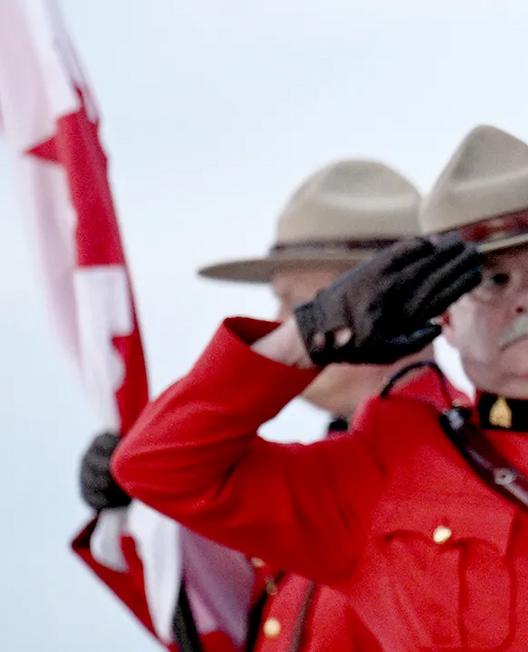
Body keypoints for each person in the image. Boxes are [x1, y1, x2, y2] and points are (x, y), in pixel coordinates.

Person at [112, 125, 528, 650]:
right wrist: (311, 334)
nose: (527, 299)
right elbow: (157, 465)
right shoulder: (378, 473)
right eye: (493, 282)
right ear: (444, 316)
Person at [74, 159, 455, 651]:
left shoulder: (459, 459)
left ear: (382, 300)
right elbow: (223, 623)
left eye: (303, 307)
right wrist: (136, 516)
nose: (286, 328)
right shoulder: (323, 474)